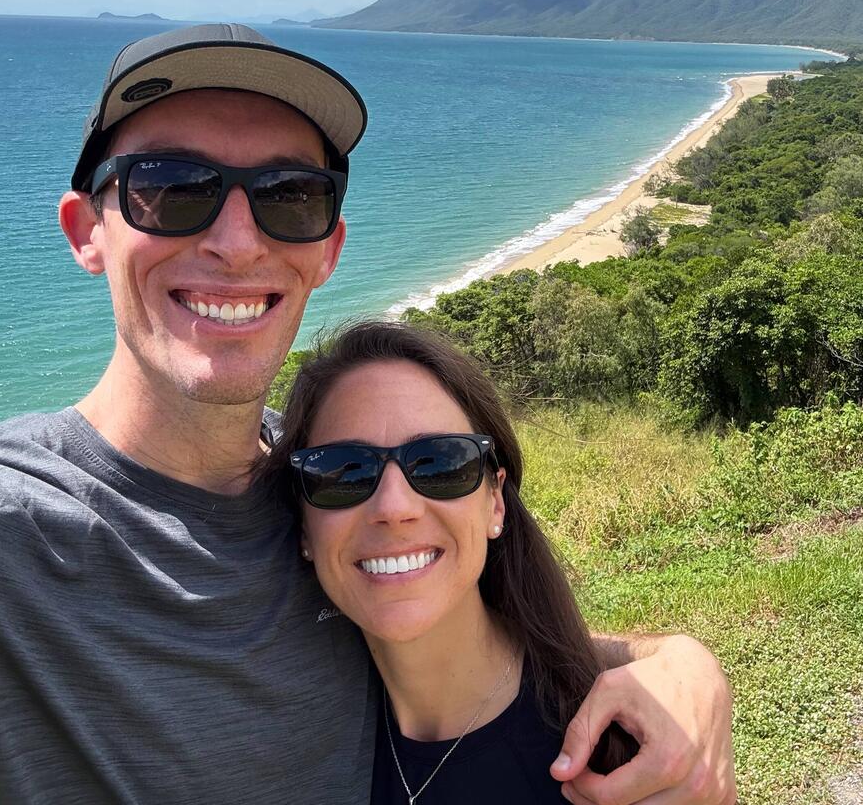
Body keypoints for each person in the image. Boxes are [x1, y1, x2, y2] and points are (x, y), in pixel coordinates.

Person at [0, 24, 736, 805]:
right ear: (88, 231)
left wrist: (677, 661)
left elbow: (473, 635)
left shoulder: (329, 482)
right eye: (171, 189)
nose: (237, 241)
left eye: (288, 197)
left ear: (327, 248)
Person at [272, 320, 638, 803]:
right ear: (304, 529)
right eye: (343, 472)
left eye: (441, 463)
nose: (394, 508)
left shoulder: (616, 758)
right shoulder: (292, 743)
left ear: (496, 503)